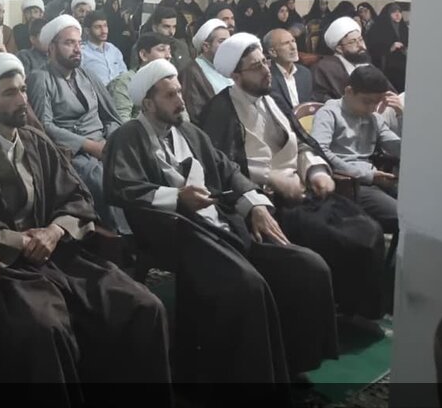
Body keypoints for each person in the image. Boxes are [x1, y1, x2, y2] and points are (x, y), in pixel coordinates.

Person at [0, 54, 171, 392]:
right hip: (6, 268)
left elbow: (77, 197)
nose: (22, 99)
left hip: (61, 254)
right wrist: (22, 241)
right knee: (47, 326)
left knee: (144, 305)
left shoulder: (37, 142)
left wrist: (54, 231)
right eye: (10, 93)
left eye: (23, 89)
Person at [104, 60, 338, 383]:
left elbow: (228, 170)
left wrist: (255, 205)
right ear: (147, 104)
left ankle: (293, 362)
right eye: (170, 95)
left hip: (221, 223)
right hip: (176, 231)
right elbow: (121, 187)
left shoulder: (189, 131)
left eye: (180, 92)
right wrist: (177, 197)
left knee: (308, 266)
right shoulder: (127, 136)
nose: (181, 101)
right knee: (248, 285)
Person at [199, 33, 386, 321]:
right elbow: (222, 167)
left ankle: (353, 310)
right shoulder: (220, 110)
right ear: (236, 75)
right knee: (336, 241)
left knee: (367, 230)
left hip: (303, 190)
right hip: (266, 201)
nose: (266, 70)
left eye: (265, 62)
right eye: (256, 67)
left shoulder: (271, 98)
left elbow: (301, 143)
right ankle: (330, 312)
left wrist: (316, 170)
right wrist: (272, 178)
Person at [27, 16, 125, 232]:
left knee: (136, 168)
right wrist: (89, 146)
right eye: (69, 43)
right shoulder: (40, 78)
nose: (77, 49)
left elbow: (110, 116)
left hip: (104, 145)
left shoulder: (87, 75)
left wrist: (110, 141)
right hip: (71, 153)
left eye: (79, 43)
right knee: (101, 179)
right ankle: (119, 237)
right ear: (51, 47)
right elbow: (43, 126)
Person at [311, 66, 403, 234]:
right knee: (403, 216)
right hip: (349, 183)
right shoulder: (329, 113)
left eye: (377, 102)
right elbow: (320, 151)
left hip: (374, 179)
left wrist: (401, 115)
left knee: (420, 207)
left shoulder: (373, 118)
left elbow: (399, 149)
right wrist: (368, 175)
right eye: (367, 102)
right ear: (349, 91)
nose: (372, 108)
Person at [107, 32, 173, 122]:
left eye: (169, 50)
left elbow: (181, 115)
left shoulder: (170, 81)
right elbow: (121, 122)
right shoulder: (125, 82)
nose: (169, 56)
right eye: (162, 50)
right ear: (144, 55)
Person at [179, 19, 233, 125]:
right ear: (206, 46)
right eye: (222, 41)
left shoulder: (230, 67)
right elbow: (196, 114)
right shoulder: (192, 72)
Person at [312, 18, 374, 102]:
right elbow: (321, 99)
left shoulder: (365, 63)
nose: (360, 45)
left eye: (360, 39)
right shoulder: (325, 68)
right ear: (339, 49)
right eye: (352, 42)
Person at [262, 28, 313, 118]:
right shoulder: (266, 77)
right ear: (273, 52)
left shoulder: (305, 73)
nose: (293, 47)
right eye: (286, 43)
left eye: (293, 41)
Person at [366, 3, 409, 92]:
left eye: (399, 12)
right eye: (393, 12)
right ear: (387, 14)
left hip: (403, 70)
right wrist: (390, 48)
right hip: (386, 69)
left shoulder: (404, 28)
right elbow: (372, 48)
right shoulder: (378, 29)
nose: (397, 15)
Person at [80, 10, 127, 87]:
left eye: (105, 26)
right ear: (87, 31)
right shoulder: (82, 53)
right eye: (98, 27)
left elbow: (124, 75)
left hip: (118, 92)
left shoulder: (113, 50)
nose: (104, 31)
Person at [141, 4, 194, 71]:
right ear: (155, 28)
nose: (171, 32)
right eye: (166, 27)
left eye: (174, 27)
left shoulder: (181, 46)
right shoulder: (143, 47)